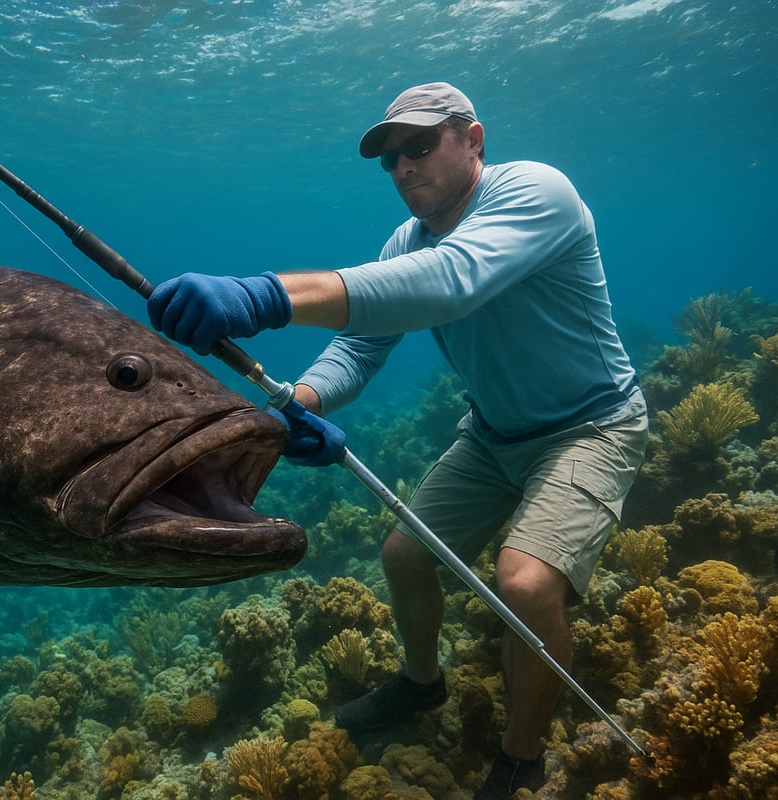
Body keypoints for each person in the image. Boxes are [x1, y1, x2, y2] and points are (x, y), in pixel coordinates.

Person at [146, 82, 649, 799]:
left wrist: (266, 296)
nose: (403, 166)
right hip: (492, 432)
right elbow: (360, 348)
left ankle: (521, 754)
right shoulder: (403, 243)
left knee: (525, 584)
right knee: (404, 555)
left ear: (472, 138)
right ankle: (421, 683)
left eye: (419, 145)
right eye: (389, 158)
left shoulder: (537, 191)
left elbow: (453, 283)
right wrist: (302, 405)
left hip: (592, 424)